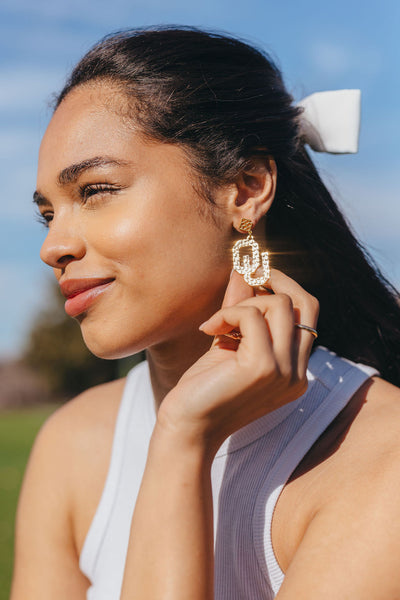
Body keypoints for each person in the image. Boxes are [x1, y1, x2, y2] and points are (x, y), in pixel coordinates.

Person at [10, 27, 400, 600]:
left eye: (95, 190)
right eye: (49, 214)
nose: (52, 247)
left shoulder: (380, 462)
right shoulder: (75, 442)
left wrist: (181, 440)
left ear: (245, 188)